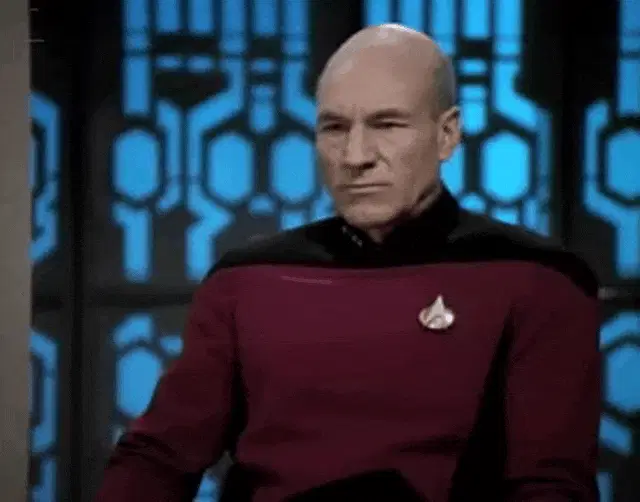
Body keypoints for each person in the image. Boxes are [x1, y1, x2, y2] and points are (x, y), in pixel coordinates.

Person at [94, 24, 601, 502]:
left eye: (387, 124)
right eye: (334, 128)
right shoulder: (246, 280)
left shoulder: (536, 280)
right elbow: (158, 457)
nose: (355, 156)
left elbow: (549, 486)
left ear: (447, 135)